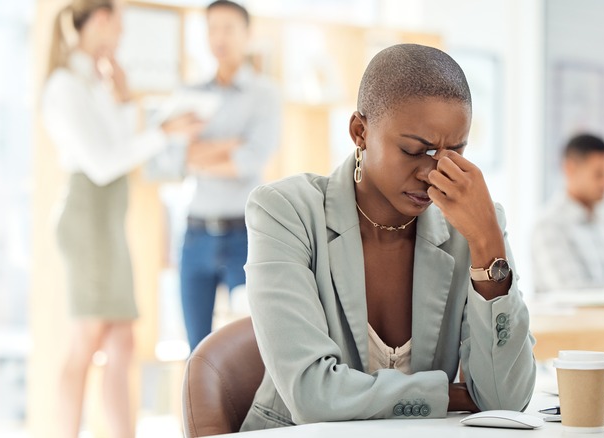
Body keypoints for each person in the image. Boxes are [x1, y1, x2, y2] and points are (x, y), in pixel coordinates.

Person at [240, 44, 536, 431]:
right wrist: (444, 394)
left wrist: (488, 248)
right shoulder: (284, 212)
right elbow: (311, 396)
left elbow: (505, 400)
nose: (435, 172)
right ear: (359, 132)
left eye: (457, 151)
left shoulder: (474, 224)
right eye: (416, 150)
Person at [41, 1, 200, 437]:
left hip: (109, 218)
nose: (122, 37)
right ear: (99, 21)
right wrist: (163, 132)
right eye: (119, 26)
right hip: (88, 216)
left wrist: (126, 96)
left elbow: (122, 146)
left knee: (122, 342)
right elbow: (103, 162)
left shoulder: (94, 82)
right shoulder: (64, 85)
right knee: (86, 339)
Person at [176, 0, 281, 351]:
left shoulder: (265, 95)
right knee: (197, 351)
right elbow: (176, 157)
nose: (219, 37)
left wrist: (202, 152)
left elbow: (250, 159)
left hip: (245, 236)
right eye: (212, 28)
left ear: (247, 35)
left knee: (250, 347)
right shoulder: (190, 94)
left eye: (228, 28)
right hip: (195, 234)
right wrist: (229, 145)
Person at [530, 134, 604, 293]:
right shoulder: (548, 226)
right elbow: (569, 290)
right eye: (598, 174)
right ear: (570, 169)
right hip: (575, 318)